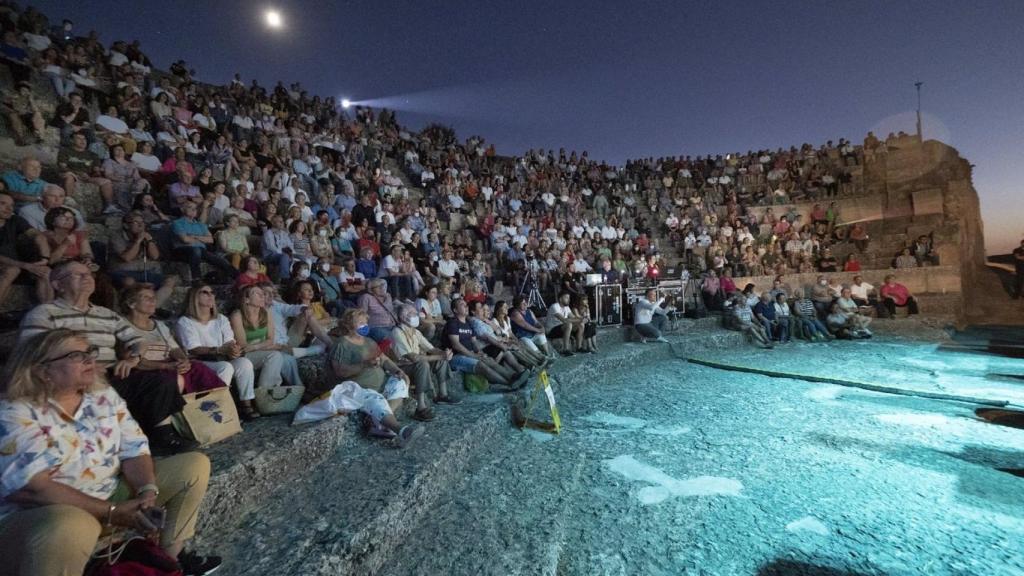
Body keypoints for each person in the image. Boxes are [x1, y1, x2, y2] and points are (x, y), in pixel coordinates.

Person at [0, 329, 221, 576]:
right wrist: (112, 512)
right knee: (73, 525)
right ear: (42, 371)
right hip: (43, 514)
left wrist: (147, 491)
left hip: (107, 494)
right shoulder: (14, 412)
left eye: (89, 352)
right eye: (75, 355)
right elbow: (33, 488)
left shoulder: (101, 394)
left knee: (193, 466)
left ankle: (167, 561)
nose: (89, 360)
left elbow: (134, 448)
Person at [19, 261, 195, 455]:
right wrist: (79, 367)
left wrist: (132, 359)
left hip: (112, 373)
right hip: (72, 378)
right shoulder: (44, 313)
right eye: (77, 275)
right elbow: (31, 353)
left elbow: (138, 341)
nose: (87, 278)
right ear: (58, 285)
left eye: (88, 274)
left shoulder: (106, 314)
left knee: (161, 381)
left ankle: (162, 436)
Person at [322, 308, 423, 445]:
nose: (365, 325)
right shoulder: (342, 344)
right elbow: (340, 371)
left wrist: (398, 371)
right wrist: (364, 364)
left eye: (365, 322)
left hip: (379, 384)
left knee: (400, 382)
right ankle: (402, 430)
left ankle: (378, 423)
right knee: (376, 399)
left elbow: (384, 359)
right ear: (349, 324)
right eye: (360, 322)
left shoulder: (369, 341)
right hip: (356, 388)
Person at [176, 283, 260, 420]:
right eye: (205, 292)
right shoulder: (185, 321)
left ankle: (246, 404)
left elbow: (229, 340)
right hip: (200, 360)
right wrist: (219, 349)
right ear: (194, 298)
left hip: (221, 356)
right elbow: (193, 348)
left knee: (244, 363)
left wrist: (233, 349)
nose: (211, 296)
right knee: (225, 367)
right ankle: (220, 407)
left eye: (212, 292)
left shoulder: (221, 318)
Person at [229, 285, 303, 401]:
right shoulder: (237, 315)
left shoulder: (266, 312)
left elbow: (270, 339)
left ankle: (271, 394)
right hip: (244, 355)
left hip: (258, 350)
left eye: (262, 293)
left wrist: (256, 345)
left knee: (282, 357)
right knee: (275, 354)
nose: (262, 296)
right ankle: (264, 395)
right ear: (246, 299)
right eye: (257, 293)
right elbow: (243, 345)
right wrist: (268, 346)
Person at [391, 303, 461, 422]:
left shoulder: (415, 332)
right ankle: (421, 407)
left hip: (415, 365)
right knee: (423, 364)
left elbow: (431, 349)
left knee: (440, 359)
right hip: (402, 369)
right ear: (403, 317)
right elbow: (414, 358)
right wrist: (440, 356)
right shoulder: (397, 332)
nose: (416, 315)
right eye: (413, 313)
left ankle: (442, 395)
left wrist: (445, 352)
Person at [445, 297, 528, 389]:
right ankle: (509, 383)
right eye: (462, 305)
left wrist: (479, 352)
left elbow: (474, 342)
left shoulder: (468, 324)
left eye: (466, 304)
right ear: (455, 310)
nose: (466, 306)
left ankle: (513, 377)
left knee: (490, 361)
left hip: (470, 353)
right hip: (456, 357)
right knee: (482, 365)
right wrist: (472, 355)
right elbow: (456, 345)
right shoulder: (452, 323)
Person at [0, 191, 49, 304]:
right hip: (11, 266)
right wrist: (25, 265)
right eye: (3, 203)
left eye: (12, 205)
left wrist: (44, 259)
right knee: (12, 270)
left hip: (16, 265)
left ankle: (47, 312)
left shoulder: (15, 220)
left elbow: (37, 235)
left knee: (44, 271)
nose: (9, 208)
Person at [172, 201, 236, 282]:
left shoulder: (200, 224)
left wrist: (195, 236)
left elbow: (211, 240)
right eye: (189, 207)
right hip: (182, 250)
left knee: (219, 259)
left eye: (195, 208)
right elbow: (185, 240)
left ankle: (236, 276)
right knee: (196, 250)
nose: (193, 209)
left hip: (201, 250)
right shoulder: (177, 223)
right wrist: (202, 238)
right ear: (182, 209)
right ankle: (196, 279)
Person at [358, 278, 399, 343]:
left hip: (393, 325)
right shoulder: (366, 297)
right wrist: (362, 333)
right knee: (392, 340)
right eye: (378, 286)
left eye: (382, 285)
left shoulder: (388, 295)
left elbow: (391, 311)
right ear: (371, 290)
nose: (382, 288)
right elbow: (361, 315)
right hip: (376, 327)